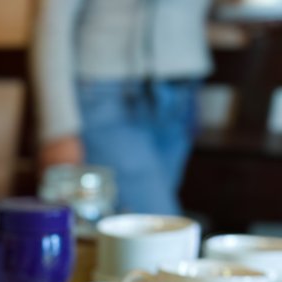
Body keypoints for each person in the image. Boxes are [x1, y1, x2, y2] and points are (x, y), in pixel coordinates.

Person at [31, 0, 213, 215]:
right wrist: (59, 128)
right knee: (157, 225)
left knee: (140, 223)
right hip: (107, 93)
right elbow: (53, 19)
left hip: (181, 92)